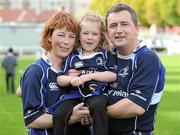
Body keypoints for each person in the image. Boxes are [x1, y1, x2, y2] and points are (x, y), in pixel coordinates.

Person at [19, 11, 91, 135]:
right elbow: (32, 120)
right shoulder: (36, 71)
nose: (66, 42)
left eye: (71, 36)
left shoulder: (79, 69)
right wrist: (70, 118)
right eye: (61, 35)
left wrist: (86, 118)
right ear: (49, 37)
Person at [105, 3, 166, 135]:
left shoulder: (148, 58)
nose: (118, 30)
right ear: (107, 32)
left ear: (137, 28)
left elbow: (135, 106)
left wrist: (95, 113)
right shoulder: (106, 56)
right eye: (113, 26)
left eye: (124, 24)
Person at [54, 13, 117, 135]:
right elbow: (60, 79)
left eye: (94, 34)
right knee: (59, 113)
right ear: (79, 36)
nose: (90, 37)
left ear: (101, 37)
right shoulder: (72, 56)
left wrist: (90, 76)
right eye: (85, 33)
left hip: (96, 94)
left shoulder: (104, 55)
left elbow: (113, 75)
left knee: (98, 107)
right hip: (74, 96)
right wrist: (71, 80)